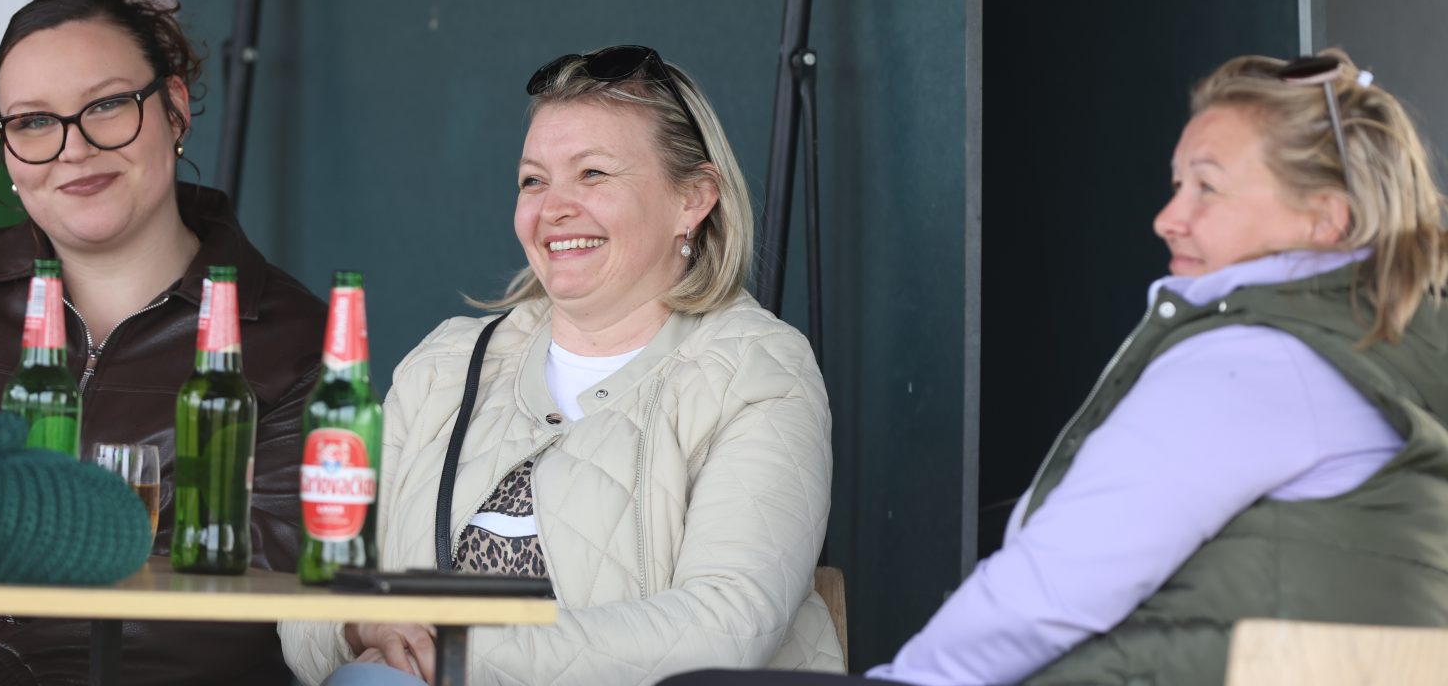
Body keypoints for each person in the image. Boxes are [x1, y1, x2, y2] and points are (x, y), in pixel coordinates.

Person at [661, 49, 1448, 686]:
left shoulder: (1258, 362)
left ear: (1326, 219)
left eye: (1207, 188)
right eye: (1177, 185)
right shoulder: (1380, 349)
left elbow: (1058, 585)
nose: (1168, 217)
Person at [278, 45, 842, 685]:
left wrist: (452, 649)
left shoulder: (757, 371)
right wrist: (361, 626)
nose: (553, 208)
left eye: (593, 173)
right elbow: (313, 595)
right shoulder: (445, 366)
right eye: (533, 181)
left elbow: (725, 628)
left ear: (693, 198)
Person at [0, 0, 327, 686]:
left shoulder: (292, 341)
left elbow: (262, 588)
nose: (72, 147)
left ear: (174, 109)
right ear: (7, 148)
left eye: (105, 105)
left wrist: (9, 676)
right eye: (33, 121)